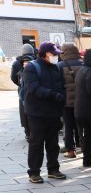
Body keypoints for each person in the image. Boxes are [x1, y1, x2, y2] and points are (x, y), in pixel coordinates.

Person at [24, 42, 67, 183]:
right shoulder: (31, 67)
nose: (56, 56)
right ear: (45, 54)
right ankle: (34, 172)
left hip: (53, 112)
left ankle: (53, 169)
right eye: (53, 54)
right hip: (36, 113)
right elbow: (33, 88)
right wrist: (54, 95)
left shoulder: (55, 67)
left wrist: (62, 96)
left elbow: (61, 85)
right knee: (36, 143)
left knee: (53, 142)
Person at [73, 49, 91, 168]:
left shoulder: (82, 70)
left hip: (81, 109)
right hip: (90, 110)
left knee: (88, 136)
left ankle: (87, 159)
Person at [58, 43, 84, 158]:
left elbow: (58, 84)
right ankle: (82, 146)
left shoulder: (60, 66)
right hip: (81, 100)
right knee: (80, 124)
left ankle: (70, 151)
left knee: (68, 126)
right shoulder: (83, 64)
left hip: (66, 101)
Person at [11, 43, 36, 140]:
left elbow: (13, 77)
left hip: (22, 91)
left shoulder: (17, 62)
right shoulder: (36, 60)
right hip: (34, 89)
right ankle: (35, 130)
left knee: (24, 111)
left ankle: (27, 132)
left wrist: (21, 85)